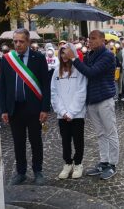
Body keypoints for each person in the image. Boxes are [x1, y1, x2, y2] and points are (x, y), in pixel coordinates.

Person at [64, 30, 119, 180]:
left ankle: (113, 164)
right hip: (92, 99)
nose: (90, 41)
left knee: (110, 132)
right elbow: (82, 69)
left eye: (94, 38)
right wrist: (73, 51)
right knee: (100, 133)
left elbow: (91, 72)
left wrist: (74, 58)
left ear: (102, 40)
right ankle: (104, 162)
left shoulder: (108, 55)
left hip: (104, 98)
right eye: (89, 38)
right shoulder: (90, 54)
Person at [0, 29, 51, 186]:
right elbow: (3, 86)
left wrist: (45, 108)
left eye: (21, 41)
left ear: (28, 42)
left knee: (36, 141)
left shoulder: (39, 58)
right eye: (15, 41)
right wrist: (4, 110)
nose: (18, 44)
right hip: (15, 109)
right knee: (18, 142)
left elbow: (45, 85)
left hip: (34, 108)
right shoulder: (7, 59)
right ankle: (21, 172)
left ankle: (38, 171)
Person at [51, 43, 87, 180]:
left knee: (78, 140)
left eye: (67, 52)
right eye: (62, 53)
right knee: (65, 141)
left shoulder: (78, 71)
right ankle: (67, 163)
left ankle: (78, 163)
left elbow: (81, 92)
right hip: (62, 115)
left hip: (77, 114)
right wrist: (63, 111)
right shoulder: (56, 71)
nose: (64, 55)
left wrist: (72, 112)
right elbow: (54, 93)